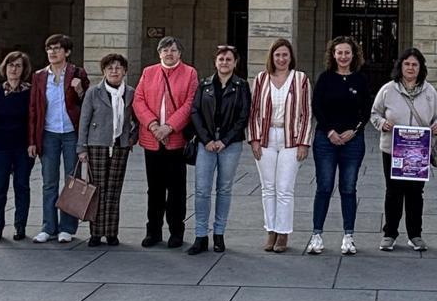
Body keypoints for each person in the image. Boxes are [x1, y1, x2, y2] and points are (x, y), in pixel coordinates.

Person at [370, 47, 437, 252]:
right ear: (400, 66)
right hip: (392, 149)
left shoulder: (429, 91)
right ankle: (390, 234)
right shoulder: (388, 89)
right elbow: (374, 113)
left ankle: (415, 234)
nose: (411, 68)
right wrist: (382, 124)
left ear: (420, 68)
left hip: (419, 150)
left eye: (415, 64)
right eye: (407, 64)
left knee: (415, 193)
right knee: (393, 192)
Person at [247, 38, 313, 253]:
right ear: (272, 57)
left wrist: (304, 142)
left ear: (290, 57)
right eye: (278, 55)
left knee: (284, 188)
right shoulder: (261, 79)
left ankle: (283, 233)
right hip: (266, 138)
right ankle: (271, 231)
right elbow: (254, 110)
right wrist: (254, 139)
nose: (281, 59)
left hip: (291, 139)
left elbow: (306, 113)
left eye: (285, 55)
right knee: (268, 188)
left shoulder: (300, 79)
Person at [308, 36, 372, 256]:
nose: (343, 56)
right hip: (326, 140)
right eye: (339, 52)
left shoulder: (361, 80)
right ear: (333, 55)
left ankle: (348, 236)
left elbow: (366, 109)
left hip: (353, 141)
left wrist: (354, 130)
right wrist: (330, 131)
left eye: (347, 52)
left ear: (354, 55)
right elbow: (317, 106)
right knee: (324, 187)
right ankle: (316, 235)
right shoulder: (325, 78)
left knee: (348, 188)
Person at [132, 36, 198, 249]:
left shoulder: (190, 73)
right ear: (159, 53)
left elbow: (190, 104)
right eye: (165, 50)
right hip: (152, 140)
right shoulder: (148, 72)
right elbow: (138, 101)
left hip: (175, 139)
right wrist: (153, 126)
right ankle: (153, 231)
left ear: (180, 53)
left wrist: (169, 127)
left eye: (173, 50)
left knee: (177, 189)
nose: (169, 54)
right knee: (155, 189)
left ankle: (176, 232)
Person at [188, 45, 251, 255]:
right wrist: (206, 140)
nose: (224, 62)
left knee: (224, 189)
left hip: (230, 145)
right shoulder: (204, 84)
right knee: (202, 190)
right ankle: (200, 235)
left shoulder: (241, 86)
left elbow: (243, 116)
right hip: (206, 144)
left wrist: (225, 140)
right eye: (221, 59)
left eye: (228, 59)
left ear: (235, 63)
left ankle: (219, 234)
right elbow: (195, 112)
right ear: (215, 62)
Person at [28, 34, 90, 244]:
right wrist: (32, 140)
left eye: (57, 48)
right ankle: (48, 226)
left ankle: (67, 228)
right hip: (48, 133)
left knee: (72, 182)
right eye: (49, 49)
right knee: (49, 182)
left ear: (67, 52)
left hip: (71, 133)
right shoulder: (39, 76)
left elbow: (87, 104)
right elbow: (34, 109)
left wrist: (79, 89)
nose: (52, 52)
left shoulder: (78, 73)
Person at [77, 53, 138, 247]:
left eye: (118, 68)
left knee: (114, 190)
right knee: (97, 189)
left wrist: (132, 138)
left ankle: (111, 232)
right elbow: (84, 120)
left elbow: (138, 119)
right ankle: (96, 232)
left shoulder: (130, 92)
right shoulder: (94, 92)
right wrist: (81, 147)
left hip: (120, 146)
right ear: (104, 71)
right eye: (110, 68)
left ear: (124, 72)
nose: (114, 71)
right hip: (97, 145)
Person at [0, 50, 32, 243]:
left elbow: (33, 118)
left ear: (24, 70)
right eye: (11, 65)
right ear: (5, 68)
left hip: (22, 146)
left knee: (22, 186)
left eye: (18, 65)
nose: (14, 69)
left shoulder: (29, 92)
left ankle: (20, 226)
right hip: (0, 146)